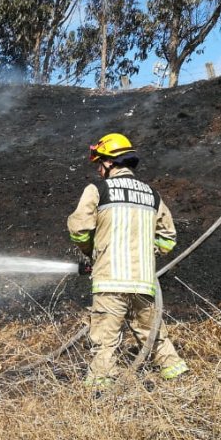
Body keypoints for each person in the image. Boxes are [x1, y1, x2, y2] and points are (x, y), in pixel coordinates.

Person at [67, 133, 188, 387]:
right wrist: (148, 254)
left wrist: (92, 253)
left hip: (110, 282)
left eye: (100, 163)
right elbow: (168, 238)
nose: (99, 169)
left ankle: (100, 395)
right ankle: (178, 379)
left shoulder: (98, 190)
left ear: (110, 162)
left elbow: (79, 229)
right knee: (154, 334)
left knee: (104, 343)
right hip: (143, 282)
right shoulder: (151, 195)